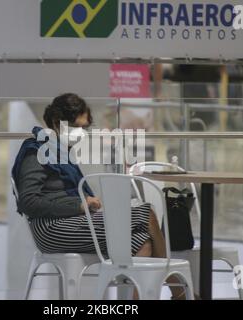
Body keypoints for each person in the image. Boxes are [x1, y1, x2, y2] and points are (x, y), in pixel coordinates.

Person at [12, 93, 186, 299]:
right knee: (145, 214)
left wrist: (82, 206)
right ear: (58, 123)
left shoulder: (59, 151)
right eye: (77, 127)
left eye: (85, 128)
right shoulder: (36, 151)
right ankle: (180, 293)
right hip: (51, 228)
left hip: (71, 221)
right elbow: (29, 202)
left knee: (142, 240)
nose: (81, 134)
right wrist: (79, 205)